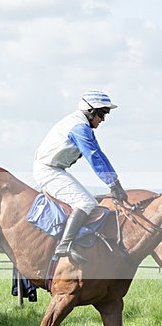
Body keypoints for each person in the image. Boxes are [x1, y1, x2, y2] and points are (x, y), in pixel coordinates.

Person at [33, 90, 129, 264]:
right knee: (85, 202)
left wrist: (115, 182)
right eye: (102, 113)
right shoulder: (79, 128)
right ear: (90, 111)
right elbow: (94, 157)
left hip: (56, 169)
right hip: (48, 170)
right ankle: (64, 245)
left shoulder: (83, 126)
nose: (103, 119)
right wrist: (114, 185)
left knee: (88, 200)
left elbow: (100, 154)